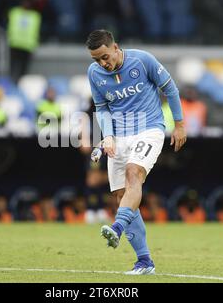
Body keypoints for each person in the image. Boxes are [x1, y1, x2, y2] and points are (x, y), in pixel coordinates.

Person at [86, 29, 186, 275]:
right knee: (122, 198)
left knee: (134, 174)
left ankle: (117, 229)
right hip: (119, 136)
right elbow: (102, 107)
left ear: (116, 47)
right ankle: (145, 262)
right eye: (96, 59)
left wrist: (180, 124)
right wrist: (107, 136)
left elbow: (170, 89)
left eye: (105, 57)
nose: (102, 63)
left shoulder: (143, 60)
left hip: (149, 128)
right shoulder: (94, 73)